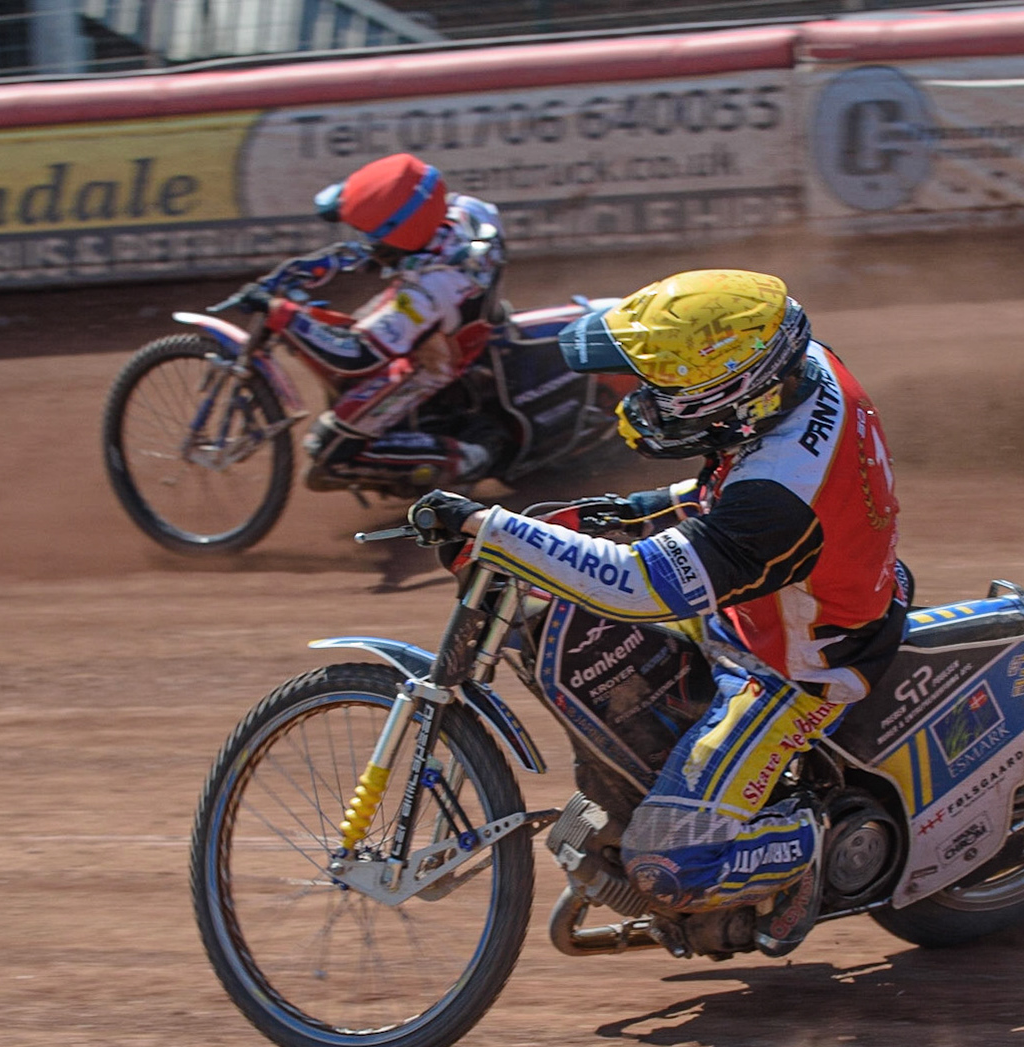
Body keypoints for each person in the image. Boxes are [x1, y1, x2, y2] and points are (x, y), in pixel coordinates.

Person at [410, 269, 906, 956]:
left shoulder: (778, 496)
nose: (648, 396)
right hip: (788, 594)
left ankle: (805, 844)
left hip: (797, 666)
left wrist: (490, 527)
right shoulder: (803, 360)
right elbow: (734, 479)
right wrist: (635, 509)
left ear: (737, 392)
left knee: (666, 864)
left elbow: (637, 583)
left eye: (666, 385)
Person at [237, 152, 507, 492]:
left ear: (402, 231)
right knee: (352, 322)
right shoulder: (466, 211)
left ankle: (468, 456)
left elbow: (354, 356)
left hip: (431, 362)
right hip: (464, 317)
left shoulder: (426, 294)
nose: (365, 241)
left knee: (327, 454)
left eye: (371, 234)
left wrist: (281, 313)